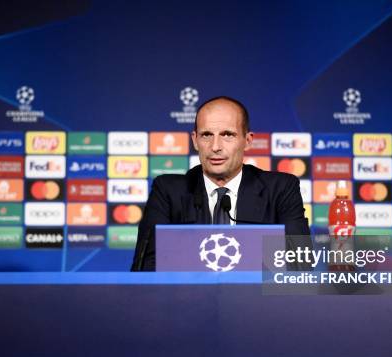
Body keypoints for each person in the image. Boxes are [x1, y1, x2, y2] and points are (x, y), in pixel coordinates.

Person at [131, 96, 310, 271]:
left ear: (247, 141)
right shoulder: (168, 191)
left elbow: (299, 265)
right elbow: (147, 269)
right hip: (187, 299)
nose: (215, 146)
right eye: (207, 135)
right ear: (195, 140)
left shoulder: (280, 189)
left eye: (227, 135)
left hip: (258, 299)